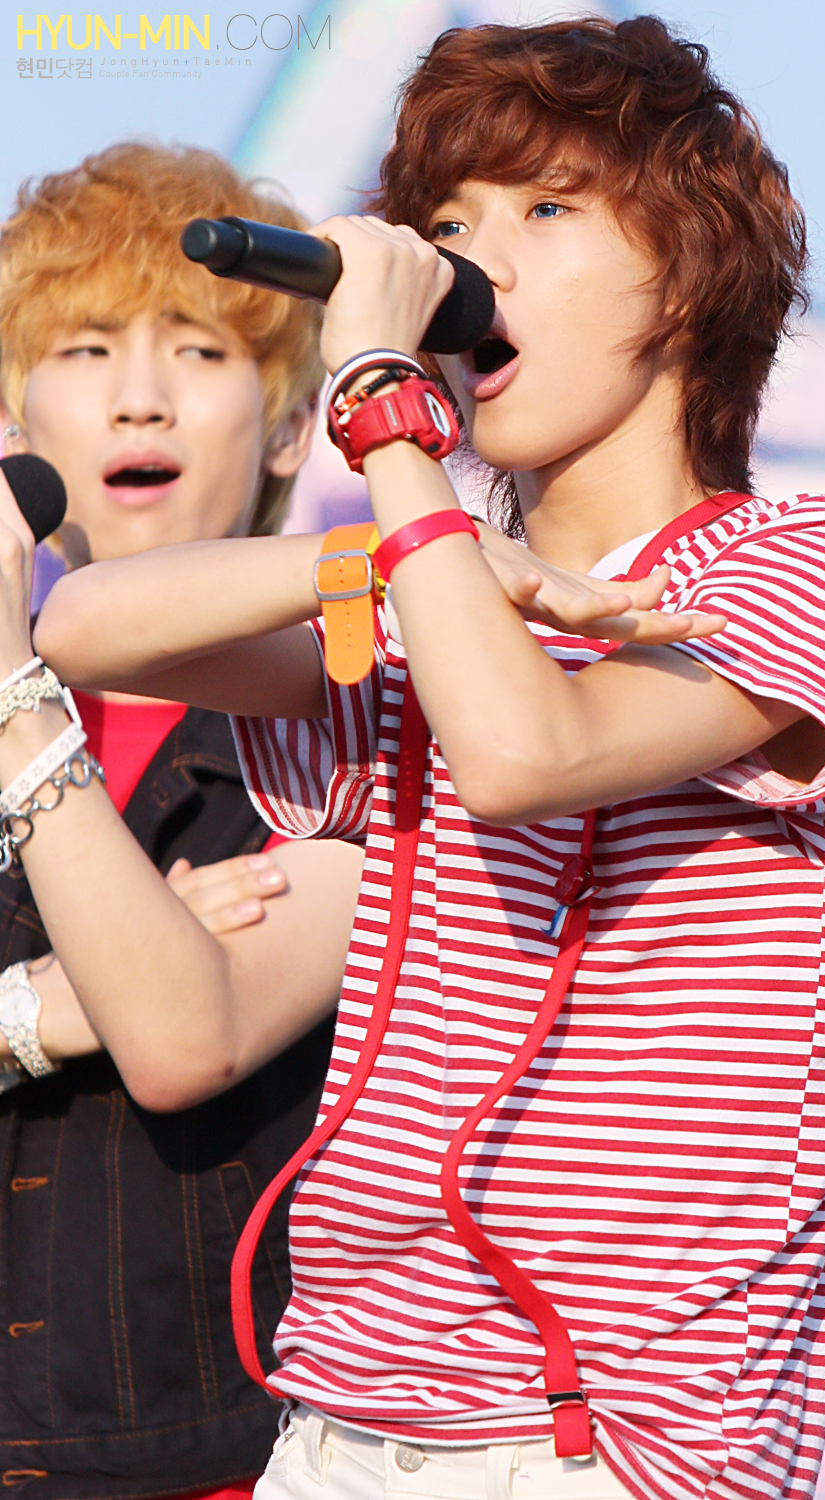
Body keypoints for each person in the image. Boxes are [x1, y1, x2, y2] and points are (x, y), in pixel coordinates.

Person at [27, 18, 825, 1500]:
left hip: (613, 1447)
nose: (472, 261)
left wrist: (386, 411)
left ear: (689, 274)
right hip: (338, 1428)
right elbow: (87, 630)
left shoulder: (823, 566)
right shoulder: (428, 594)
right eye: (447, 225)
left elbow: (523, 750)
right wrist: (390, 555)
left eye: (547, 210)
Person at [0, 144, 367, 1498]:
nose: (140, 396)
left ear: (289, 426)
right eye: (87, 348)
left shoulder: (355, 714)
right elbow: (109, 1007)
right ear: (14, 415)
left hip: (227, 1459)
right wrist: (49, 1004)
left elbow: (185, 1037)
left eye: (201, 352)